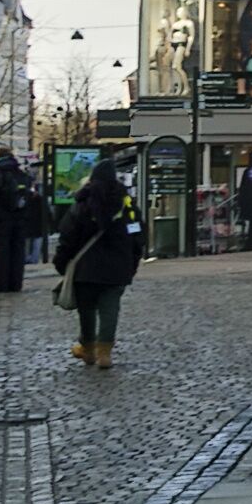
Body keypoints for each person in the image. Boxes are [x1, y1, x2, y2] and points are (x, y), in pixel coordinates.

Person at [52, 159, 144, 370]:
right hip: (117, 266)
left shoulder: (82, 203)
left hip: (86, 267)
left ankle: (88, 349)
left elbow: (68, 235)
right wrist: (133, 261)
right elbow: (137, 234)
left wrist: (62, 261)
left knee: (86, 310)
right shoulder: (126, 204)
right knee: (110, 309)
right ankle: (105, 353)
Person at [0, 149, 31, 292]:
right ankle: (16, 283)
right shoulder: (21, 173)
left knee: (2, 250)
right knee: (18, 251)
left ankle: (1, 284)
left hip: (1, 218)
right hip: (20, 218)